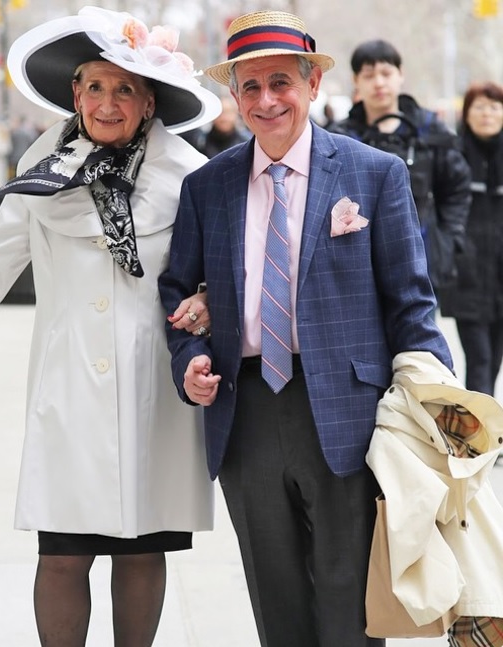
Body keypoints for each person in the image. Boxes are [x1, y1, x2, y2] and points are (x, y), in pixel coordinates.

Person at [0, 7, 222, 646]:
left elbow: (220, 270)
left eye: (125, 90)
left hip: (154, 387)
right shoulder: (43, 167)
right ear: (75, 93)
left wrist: (209, 301)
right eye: (95, 87)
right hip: (69, 391)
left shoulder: (189, 176)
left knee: (143, 548)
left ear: (149, 102)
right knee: (63, 552)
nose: (108, 103)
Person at [158, 10, 454, 647]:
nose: (266, 101)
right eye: (250, 86)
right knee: (276, 601)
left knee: (351, 603)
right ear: (234, 95)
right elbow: (177, 292)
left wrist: (443, 404)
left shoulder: (375, 174)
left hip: (349, 414)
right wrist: (188, 360)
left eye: (281, 83)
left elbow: (411, 303)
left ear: (312, 85)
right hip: (246, 414)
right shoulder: (206, 187)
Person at [328, 39, 471, 294]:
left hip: (423, 261)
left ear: (400, 74)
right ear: (356, 80)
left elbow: (456, 187)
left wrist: (448, 240)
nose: (379, 83)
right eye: (369, 75)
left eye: (386, 73)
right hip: (360, 266)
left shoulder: (429, 130)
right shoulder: (341, 137)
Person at [438, 82, 503, 396]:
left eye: (494, 107)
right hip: (466, 274)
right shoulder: (453, 155)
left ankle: (483, 422)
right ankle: (482, 427)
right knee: (480, 359)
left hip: (500, 273)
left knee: (494, 362)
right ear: (466, 114)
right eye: (479, 107)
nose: (487, 114)